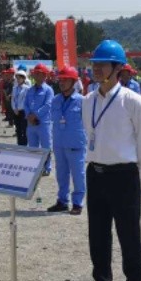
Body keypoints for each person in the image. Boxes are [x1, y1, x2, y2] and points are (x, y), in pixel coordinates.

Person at [74, 40, 141, 281]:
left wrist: (140, 167)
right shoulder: (88, 101)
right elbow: (90, 133)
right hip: (96, 173)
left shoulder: (133, 101)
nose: (96, 69)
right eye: (94, 64)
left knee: (128, 232)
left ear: (117, 68)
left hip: (124, 174)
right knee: (97, 232)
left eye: (102, 64)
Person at [50, 66, 87, 214]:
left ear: (73, 82)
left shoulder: (82, 101)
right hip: (59, 143)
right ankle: (62, 201)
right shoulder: (55, 100)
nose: (62, 83)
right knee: (61, 175)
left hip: (75, 144)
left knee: (78, 175)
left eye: (65, 80)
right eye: (60, 80)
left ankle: (77, 203)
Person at [25, 64, 54, 176]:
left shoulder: (48, 90)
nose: (36, 75)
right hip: (31, 123)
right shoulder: (30, 90)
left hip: (44, 123)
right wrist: (29, 115)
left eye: (38, 73)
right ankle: (35, 166)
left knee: (46, 146)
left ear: (44, 75)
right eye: (35, 73)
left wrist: (35, 115)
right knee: (32, 146)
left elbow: (48, 105)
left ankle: (47, 167)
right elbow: (26, 104)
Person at [11, 69, 30, 146]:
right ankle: (19, 144)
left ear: (24, 78)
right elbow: (13, 99)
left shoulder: (27, 88)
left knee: (24, 129)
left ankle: (24, 144)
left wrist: (19, 108)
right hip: (16, 112)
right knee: (18, 129)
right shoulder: (14, 88)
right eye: (17, 78)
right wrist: (14, 108)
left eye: (19, 78)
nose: (18, 80)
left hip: (23, 111)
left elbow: (25, 100)